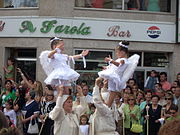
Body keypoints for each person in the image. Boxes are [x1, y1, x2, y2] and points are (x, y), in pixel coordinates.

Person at [98, 41, 139, 107]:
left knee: (112, 91)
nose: (116, 54)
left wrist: (111, 60)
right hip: (113, 75)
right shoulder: (121, 59)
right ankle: (108, 103)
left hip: (115, 76)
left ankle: (108, 105)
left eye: (117, 52)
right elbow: (115, 67)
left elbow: (119, 64)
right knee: (110, 91)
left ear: (122, 52)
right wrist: (107, 67)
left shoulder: (124, 60)